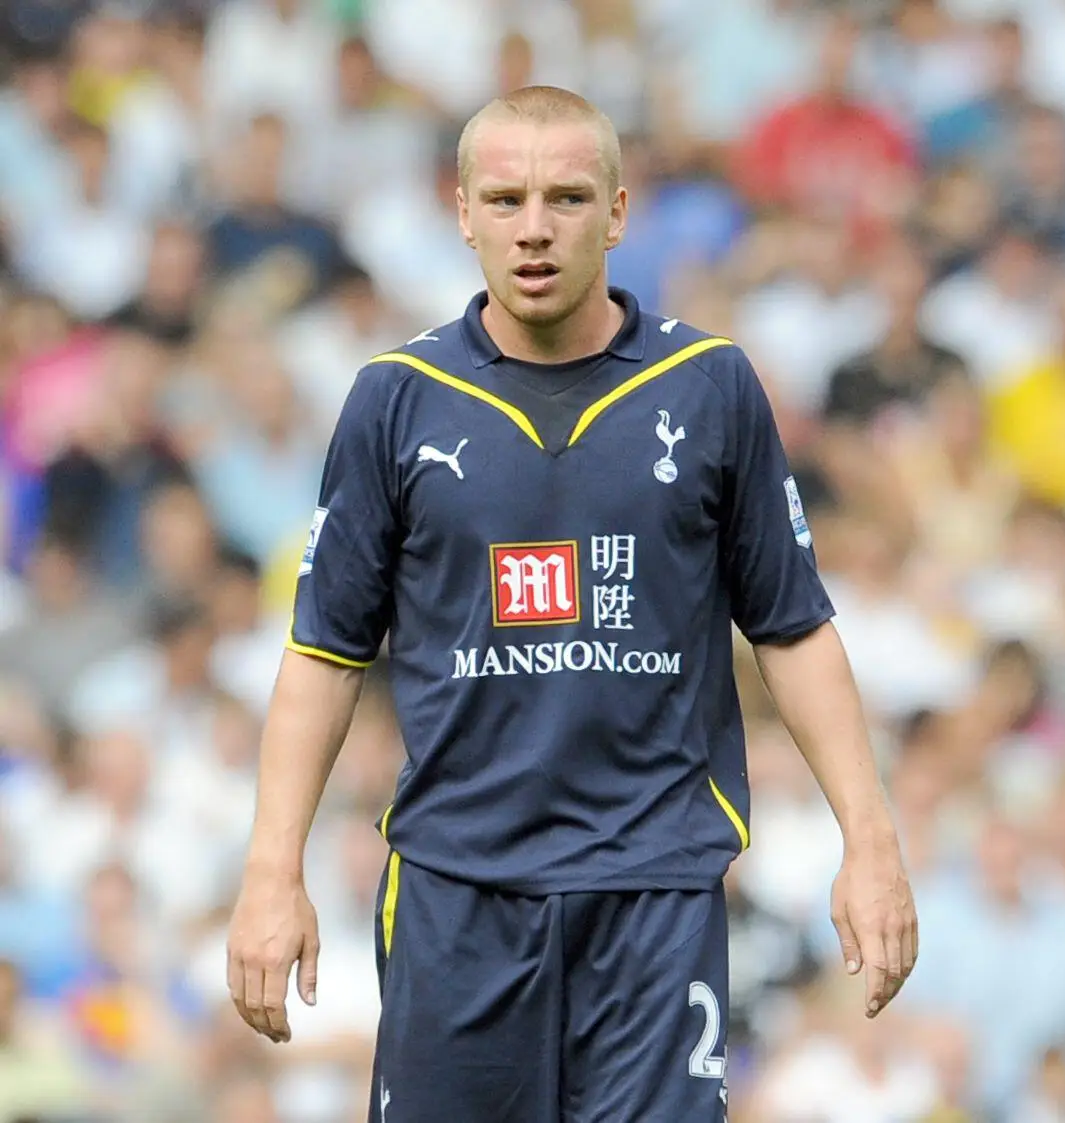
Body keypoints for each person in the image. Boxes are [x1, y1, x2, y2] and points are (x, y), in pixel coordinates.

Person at [223, 85, 917, 1123]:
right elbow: (324, 651)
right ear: (463, 214)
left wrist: (871, 841)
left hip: (654, 891)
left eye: (567, 197)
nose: (535, 227)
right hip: (457, 890)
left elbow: (793, 628)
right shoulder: (396, 398)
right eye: (506, 200)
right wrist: (272, 872)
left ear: (618, 212)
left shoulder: (709, 385)